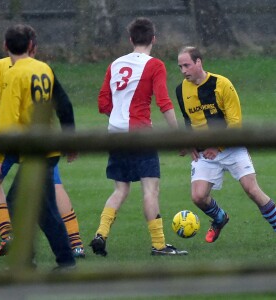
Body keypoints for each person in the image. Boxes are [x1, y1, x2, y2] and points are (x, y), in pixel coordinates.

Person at [0, 27, 85, 258]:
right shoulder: (44, 68)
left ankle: (8, 236)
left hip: (12, 140)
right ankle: (75, 244)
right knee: (54, 190)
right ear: (32, 45)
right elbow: (64, 105)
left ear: (5, 46)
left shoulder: (2, 68)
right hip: (42, 142)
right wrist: (69, 138)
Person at [89, 17, 188, 256]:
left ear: (131, 39)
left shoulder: (115, 64)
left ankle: (100, 234)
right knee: (150, 190)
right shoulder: (155, 65)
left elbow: (103, 102)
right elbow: (164, 102)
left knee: (120, 190)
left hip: (115, 133)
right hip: (141, 133)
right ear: (153, 39)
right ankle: (159, 245)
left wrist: (118, 119)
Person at [175, 46, 276, 243]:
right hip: (205, 152)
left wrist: (218, 146)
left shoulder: (222, 84)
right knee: (198, 197)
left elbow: (235, 122)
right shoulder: (181, 90)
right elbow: (189, 121)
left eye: (187, 65)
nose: (183, 71)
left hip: (232, 147)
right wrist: (190, 143)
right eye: (180, 67)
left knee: (252, 190)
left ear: (198, 62)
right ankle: (220, 218)